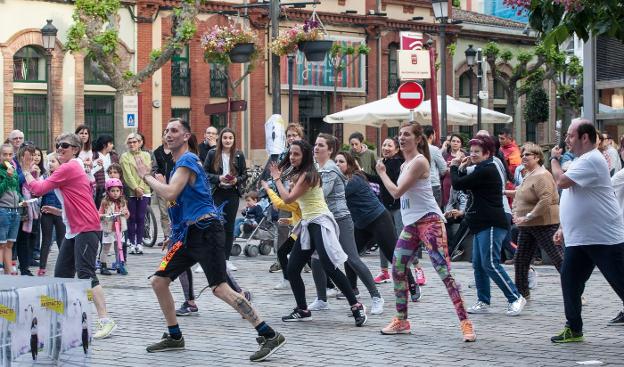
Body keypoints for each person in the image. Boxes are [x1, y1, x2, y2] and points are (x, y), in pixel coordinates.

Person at [135, 118, 285, 361]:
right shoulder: (176, 167)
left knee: (220, 288)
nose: (168, 134)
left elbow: (170, 193)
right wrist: (174, 234)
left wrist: (146, 177)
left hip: (207, 231)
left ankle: (269, 334)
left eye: (174, 130)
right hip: (189, 235)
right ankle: (174, 336)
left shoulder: (188, 160)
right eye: (166, 131)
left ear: (186, 136)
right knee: (159, 281)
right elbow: (177, 202)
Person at [375, 122, 475, 341]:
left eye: (407, 135)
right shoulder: (405, 165)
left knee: (444, 272)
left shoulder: (419, 162)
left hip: (429, 222)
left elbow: (396, 193)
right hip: (412, 224)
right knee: (397, 269)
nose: (401, 138)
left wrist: (381, 173)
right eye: (400, 134)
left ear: (418, 139)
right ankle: (402, 320)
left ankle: (465, 322)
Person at [22, 132, 117, 339]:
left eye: (64, 145)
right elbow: (75, 198)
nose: (59, 148)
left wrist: (25, 171)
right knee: (61, 276)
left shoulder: (71, 166)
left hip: (86, 228)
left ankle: (105, 320)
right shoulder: (72, 167)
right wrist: (58, 212)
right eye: (57, 145)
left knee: (86, 274)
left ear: (75, 149)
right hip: (75, 230)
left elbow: (38, 188)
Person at [268, 140, 367, 326]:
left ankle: (356, 305)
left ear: (304, 155)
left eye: (296, 154)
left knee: (329, 267)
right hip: (308, 224)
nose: (292, 157)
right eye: (291, 154)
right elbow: (294, 200)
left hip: (320, 223)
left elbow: (288, 198)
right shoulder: (300, 173)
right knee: (293, 268)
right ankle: (303, 310)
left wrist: (276, 179)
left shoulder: (309, 174)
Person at [549, 119, 624, 342]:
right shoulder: (581, 160)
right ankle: (574, 328)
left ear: (584, 137)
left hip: (604, 238)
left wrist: (553, 158)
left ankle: (574, 327)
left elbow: (561, 181)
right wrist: (564, 226)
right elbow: (574, 195)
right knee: (570, 280)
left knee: (620, 283)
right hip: (580, 238)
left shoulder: (592, 159)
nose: (566, 140)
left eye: (570, 136)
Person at [451, 135, 526, 316]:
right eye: (472, 151)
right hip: (481, 224)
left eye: (477, 152)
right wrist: (461, 168)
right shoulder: (480, 168)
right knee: (478, 263)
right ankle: (483, 300)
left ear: (487, 153)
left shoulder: (488, 169)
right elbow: (464, 183)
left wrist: (454, 166)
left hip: (492, 223)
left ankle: (515, 297)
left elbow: (458, 183)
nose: (473, 154)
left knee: (490, 263)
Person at [337, 151, 422, 304]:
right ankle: (352, 289)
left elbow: (337, 196)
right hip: (362, 223)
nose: (337, 165)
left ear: (349, 165)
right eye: (335, 162)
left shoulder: (354, 180)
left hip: (379, 219)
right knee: (350, 254)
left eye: (341, 162)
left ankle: (412, 284)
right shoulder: (341, 181)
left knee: (393, 256)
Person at [312, 134, 383, 314]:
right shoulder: (316, 168)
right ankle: (321, 299)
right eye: (315, 144)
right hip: (324, 219)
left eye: (321, 145)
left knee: (352, 259)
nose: (316, 148)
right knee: (316, 258)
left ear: (329, 150)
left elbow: (322, 193)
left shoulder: (330, 169)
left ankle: (376, 297)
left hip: (341, 219)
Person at [509, 143, 563, 299]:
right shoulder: (529, 174)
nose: (524, 157)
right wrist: (503, 191)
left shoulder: (542, 175)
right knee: (521, 260)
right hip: (527, 225)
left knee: (558, 258)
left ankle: (575, 290)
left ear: (538, 157)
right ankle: (522, 293)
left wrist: (528, 216)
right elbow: (521, 193)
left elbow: (545, 200)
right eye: (523, 154)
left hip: (544, 223)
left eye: (528, 154)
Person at [204, 128, 247, 271]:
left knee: (229, 227)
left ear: (234, 140)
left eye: (230, 138)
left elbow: (244, 175)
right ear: (220, 139)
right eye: (225, 138)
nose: (228, 140)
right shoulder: (212, 153)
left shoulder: (239, 155)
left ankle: (226, 259)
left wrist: (236, 180)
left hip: (232, 194)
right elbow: (204, 173)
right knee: (215, 226)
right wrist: (218, 178)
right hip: (217, 192)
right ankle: (210, 258)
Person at [261, 179, 301, 290]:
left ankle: (329, 286)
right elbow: (299, 216)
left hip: (303, 233)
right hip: (299, 232)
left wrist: (268, 189)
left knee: (313, 261)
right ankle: (287, 280)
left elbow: (280, 204)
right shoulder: (297, 198)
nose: (290, 188)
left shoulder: (297, 199)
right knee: (282, 252)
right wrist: (289, 220)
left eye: (292, 186)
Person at [120, 133, 152, 255]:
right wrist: (136, 188)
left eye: (134, 142)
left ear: (140, 143)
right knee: (132, 217)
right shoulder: (125, 156)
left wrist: (141, 188)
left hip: (144, 190)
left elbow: (146, 173)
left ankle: (139, 243)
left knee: (141, 217)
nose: (132, 144)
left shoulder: (146, 155)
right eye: (130, 142)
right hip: (131, 191)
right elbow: (127, 175)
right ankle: (132, 243)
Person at [38, 153, 65, 276]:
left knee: (62, 240)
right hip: (46, 212)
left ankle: (65, 266)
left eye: (53, 161)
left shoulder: (64, 177)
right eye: (49, 161)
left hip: (60, 212)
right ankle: (42, 267)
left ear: (60, 164)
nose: (50, 164)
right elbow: (38, 191)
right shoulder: (44, 177)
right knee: (46, 240)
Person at [98, 178, 130, 276]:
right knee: (106, 247)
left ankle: (119, 264)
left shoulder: (122, 202)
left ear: (121, 191)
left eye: (117, 191)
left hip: (119, 229)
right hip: (109, 229)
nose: (115, 193)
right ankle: (103, 266)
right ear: (108, 191)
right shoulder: (105, 202)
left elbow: (127, 214)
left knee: (119, 247)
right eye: (112, 191)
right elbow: (99, 214)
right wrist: (103, 216)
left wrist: (125, 213)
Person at [0, 144, 21, 275]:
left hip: (15, 211)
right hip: (3, 211)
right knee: (1, 244)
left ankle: (8, 275)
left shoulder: (13, 171)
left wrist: (22, 199)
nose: (8, 157)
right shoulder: (3, 172)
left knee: (9, 244)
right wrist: (7, 177)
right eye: (4, 154)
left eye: (10, 154)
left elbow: (16, 191)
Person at [152, 135, 174, 247]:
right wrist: (156, 175)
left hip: (174, 186)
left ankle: (174, 235)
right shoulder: (157, 152)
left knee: (174, 211)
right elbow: (154, 167)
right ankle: (166, 236)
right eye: (164, 136)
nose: (166, 138)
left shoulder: (175, 150)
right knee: (163, 212)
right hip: (161, 186)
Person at [423, 126, 448, 207]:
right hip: (433, 185)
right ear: (431, 136)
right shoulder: (434, 149)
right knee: (435, 213)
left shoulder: (416, 148)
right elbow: (443, 169)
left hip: (419, 185)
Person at [92, 135, 119, 209]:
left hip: (113, 187)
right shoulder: (94, 156)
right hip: (99, 189)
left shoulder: (114, 156)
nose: (112, 145)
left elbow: (119, 171)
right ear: (104, 145)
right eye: (110, 143)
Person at [441, 134, 466, 208]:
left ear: (461, 144)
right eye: (453, 141)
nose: (455, 143)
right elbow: (441, 171)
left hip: (459, 187)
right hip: (447, 186)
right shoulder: (444, 156)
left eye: (458, 142)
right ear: (450, 142)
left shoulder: (465, 156)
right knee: (448, 211)